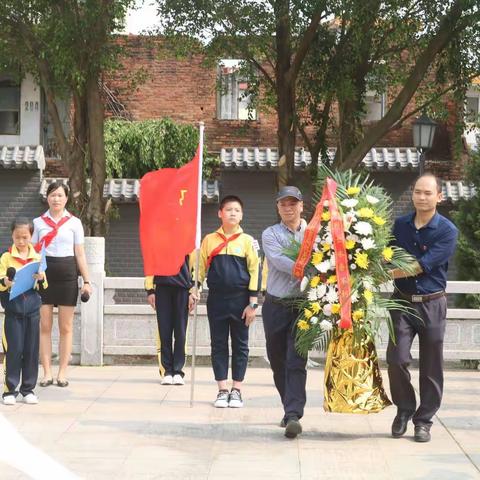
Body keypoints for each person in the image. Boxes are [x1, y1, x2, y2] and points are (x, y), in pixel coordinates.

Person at [388, 173, 458, 443]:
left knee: (431, 366)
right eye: (418, 191)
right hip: (402, 302)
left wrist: (385, 275)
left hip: (432, 304)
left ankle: (424, 420)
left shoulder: (447, 230)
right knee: (396, 359)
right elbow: (387, 253)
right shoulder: (401, 225)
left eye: (428, 193)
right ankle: (404, 409)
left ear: (439, 196)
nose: (421, 197)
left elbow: (420, 265)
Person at [197, 195, 260, 408]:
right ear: (220, 213)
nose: (233, 213)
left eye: (237, 210)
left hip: (241, 300)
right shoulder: (209, 240)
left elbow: (255, 271)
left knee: (241, 345)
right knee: (218, 344)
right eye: (229, 209)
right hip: (216, 299)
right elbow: (200, 268)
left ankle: (237, 390)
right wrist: (194, 289)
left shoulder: (248, 241)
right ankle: (222, 389)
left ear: (242, 215)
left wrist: (253, 303)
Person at [32, 181, 92, 388]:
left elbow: (80, 254)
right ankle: (47, 373)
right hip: (44, 276)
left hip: (67, 275)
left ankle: (63, 373)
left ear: (66, 199)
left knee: (65, 327)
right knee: (45, 326)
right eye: (52, 195)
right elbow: (32, 254)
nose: (56, 199)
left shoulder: (74, 223)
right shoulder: (38, 223)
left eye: (59, 195)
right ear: (47, 197)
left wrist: (87, 281)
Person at [261, 186, 308, 439]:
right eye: (283, 204)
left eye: (293, 203)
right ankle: (288, 405)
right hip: (276, 305)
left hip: (302, 306)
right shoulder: (270, 234)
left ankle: (293, 414)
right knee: (278, 360)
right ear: (278, 208)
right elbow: (278, 261)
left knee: (296, 360)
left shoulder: (315, 233)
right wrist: (308, 269)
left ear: (302, 205)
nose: (288, 208)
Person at [1, 218, 48, 405]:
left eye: (25, 237)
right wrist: (6, 282)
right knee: (13, 350)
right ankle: (9, 391)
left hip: (32, 312)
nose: (21, 241)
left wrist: (41, 277)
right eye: (17, 237)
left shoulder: (37, 257)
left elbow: (44, 287)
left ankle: (28, 389)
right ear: (12, 235)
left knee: (31, 350)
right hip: (13, 312)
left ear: (31, 236)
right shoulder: (5, 257)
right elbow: (0, 282)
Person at [145, 256, 196, 385]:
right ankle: (167, 371)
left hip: (183, 288)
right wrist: (150, 290)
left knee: (181, 332)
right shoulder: (158, 237)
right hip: (162, 287)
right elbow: (151, 262)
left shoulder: (187, 237)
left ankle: (178, 371)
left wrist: (193, 291)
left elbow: (194, 265)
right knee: (164, 331)